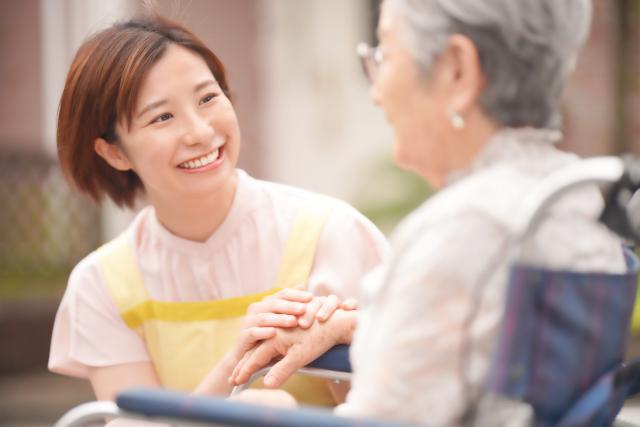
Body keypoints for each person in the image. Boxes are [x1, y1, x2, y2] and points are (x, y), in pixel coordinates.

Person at [227, 0, 629, 424]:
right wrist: (355, 326)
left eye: (385, 54)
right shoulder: (576, 200)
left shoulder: (464, 231)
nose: (377, 90)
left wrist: (274, 414)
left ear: (457, 70)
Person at [48, 14, 388, 408]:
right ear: (115, 151)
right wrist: (236, 364)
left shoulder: (331, 234)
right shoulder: (102, 283)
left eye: (208, 98)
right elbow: (136, 423)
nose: (201, 132)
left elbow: (387, 404)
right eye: (162, 117)